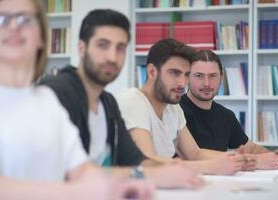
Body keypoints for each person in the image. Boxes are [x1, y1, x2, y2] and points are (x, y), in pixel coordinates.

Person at [0, 0, 154, 199]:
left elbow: (83, 171)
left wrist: (125, 186)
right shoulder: (58, 91)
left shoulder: (46, 101)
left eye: (26, 19)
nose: (14, 26)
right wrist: (76, 191)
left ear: (42, 36)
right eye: (1, 19)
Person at [41, 9, 202, 188]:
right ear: (81, 48)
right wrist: (149, 175)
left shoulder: (107, 102)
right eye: (103, 45)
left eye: (120, 48)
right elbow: (69, 174)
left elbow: (135, 160)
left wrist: (175, 169)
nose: (112, 57)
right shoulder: (55, 95)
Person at [118, 38, 257, 175]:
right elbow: (146, 162)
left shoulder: (173, 108)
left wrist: (238, 160)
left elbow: (195, 154)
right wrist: (212, 166)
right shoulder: (133, 101)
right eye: (174, 73)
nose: (182, 83)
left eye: (186, 75)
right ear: (152, 72)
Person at [179, 49, 278, 169]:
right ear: (187, 77)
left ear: (221, 77)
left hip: (220, 183)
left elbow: (251, 148)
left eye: (213, 76)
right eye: (199, 76)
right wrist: (252, 160)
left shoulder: (226, 115)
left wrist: (273, 156)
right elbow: (194, 156)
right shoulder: (176, 111)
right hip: (190, 183)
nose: (207, 83)